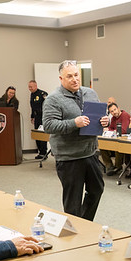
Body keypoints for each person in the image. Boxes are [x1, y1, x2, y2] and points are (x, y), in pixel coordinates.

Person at [43, 60, 109, 220]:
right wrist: (74, 123)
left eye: (76, 75)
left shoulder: (90, 93)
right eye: (69, 76)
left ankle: (84, 223)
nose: (74, 79)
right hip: (69, 157)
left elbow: (97, 117)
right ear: (61, 79)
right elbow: (49, 125)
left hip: (90, 152)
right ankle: (75, 232)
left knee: (97, 189)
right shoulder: (53, 99)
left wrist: (104, 121)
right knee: (73, 201)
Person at [100, 102, 131, 175]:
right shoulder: (114, 118)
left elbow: (123, 131)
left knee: (118, 147)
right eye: (112, 111)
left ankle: (118, 166)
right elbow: (110, 128)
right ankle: (109, 165)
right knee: (102, 146)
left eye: (115, 110)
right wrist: (108, 130)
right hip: (115, 139)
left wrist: (110, 130)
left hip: (126, 140)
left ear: (118, 108)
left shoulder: (124, 115)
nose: (114, 112)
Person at [28, 80, 49, 158]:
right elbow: (33, 107)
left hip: (43, 117)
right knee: (37, 135)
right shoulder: (32, 94)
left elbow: (48, 105)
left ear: (35, 86)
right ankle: (40, 152)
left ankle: (44, 153)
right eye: (29, 87)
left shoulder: (43, 94)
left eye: (31, 87)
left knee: (42, 135)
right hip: (36, 117)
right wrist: (32, 116)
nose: (29, 88)